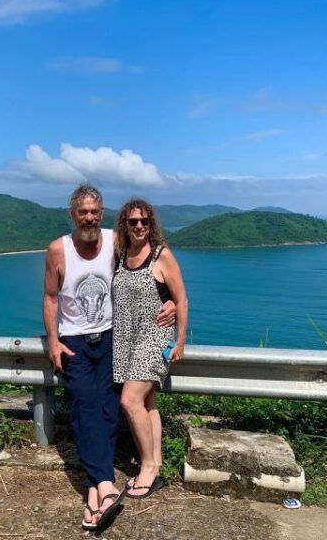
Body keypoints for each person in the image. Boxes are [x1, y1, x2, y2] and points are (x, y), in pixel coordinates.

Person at [42, 184, 176, 531]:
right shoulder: (59, 249)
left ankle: (92, 489)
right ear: (72, 214)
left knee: (107, 409)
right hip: (75, 342)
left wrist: (171, 300)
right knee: (85, 407)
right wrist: (54, 341)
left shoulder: (115, 242)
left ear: (101, 214)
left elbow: (145, 269)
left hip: (113, 339)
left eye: (94, 212)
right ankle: (104, 484)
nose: (89, 217)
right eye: (82, 212)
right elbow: (51, 297)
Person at [112, 198, 188, 499]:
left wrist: (180, 341)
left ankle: (147, 467)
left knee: (129, 401)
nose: (139, 226)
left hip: (155, 337)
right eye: (133, 222)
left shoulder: (161, 255)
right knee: (147, 403)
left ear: (151, 223)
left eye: (144, 221)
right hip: (125, 339)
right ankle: (155, 463)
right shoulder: (120, 254)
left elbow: (181, 299)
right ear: (125, 225)